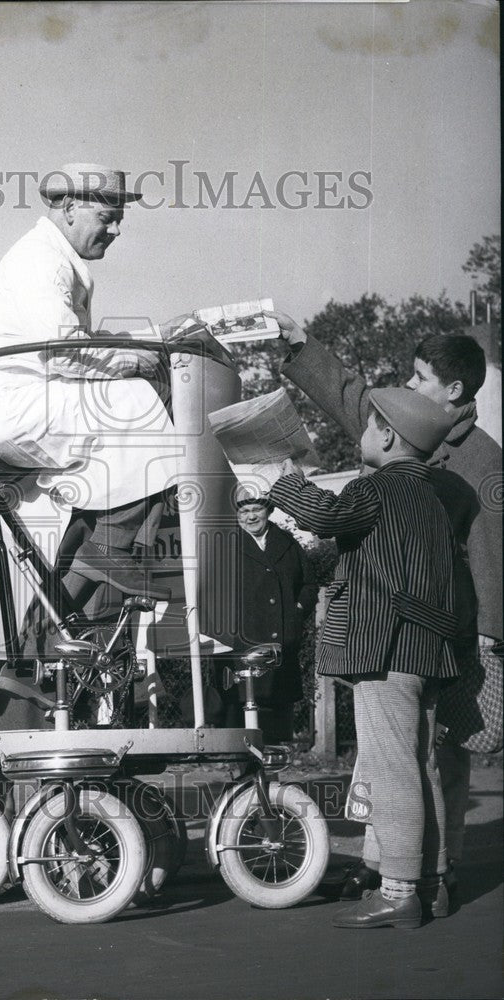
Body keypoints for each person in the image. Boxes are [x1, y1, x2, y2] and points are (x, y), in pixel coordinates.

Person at [269, 310, 503, 894]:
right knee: (405, 755)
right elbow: (354, 400)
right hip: (422, 626)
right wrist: (305, 348)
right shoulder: (405, 434)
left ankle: (431, 871)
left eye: (420, 377)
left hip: (455, 626)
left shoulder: (482, 459)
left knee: (433, 756)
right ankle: (394, 864)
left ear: (454, 391)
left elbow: (491, 552)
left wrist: (491, 633)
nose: (410, 385)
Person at [269, 388, 458, 929]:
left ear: (390, 437)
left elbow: (326, 517)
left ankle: (399, 891)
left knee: (394, 766)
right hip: (426, 646)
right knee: (420, 763)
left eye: (369, 427)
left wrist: (287, 483)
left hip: (385, 646)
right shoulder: (432, 497)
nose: (363, 436)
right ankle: (431, 883)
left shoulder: (375, 488)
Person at [0, 162, 178, 607]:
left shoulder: (51, 255)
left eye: (119, 220)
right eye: (107, 218)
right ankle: (113, 550)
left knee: (98, 501)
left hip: (22, 399)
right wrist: (135, 360)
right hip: (14, 405)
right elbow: (62, 351)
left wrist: (146, 340)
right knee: (140, 401)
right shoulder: (43, 259)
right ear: (71, 207)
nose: (115, 230)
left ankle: (44, 641)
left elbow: (67, 344)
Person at [216, 495, 318, 742]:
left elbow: (308, 583)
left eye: (256, 510)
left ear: (268, 511)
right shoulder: (226, 545)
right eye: (244, 511)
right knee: (241, 712)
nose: (251, 516)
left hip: (281, 640)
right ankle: (243, 773)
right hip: (241, 642)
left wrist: (297, 609)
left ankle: (273, 772)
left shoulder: (287, 542)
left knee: (277, 713)